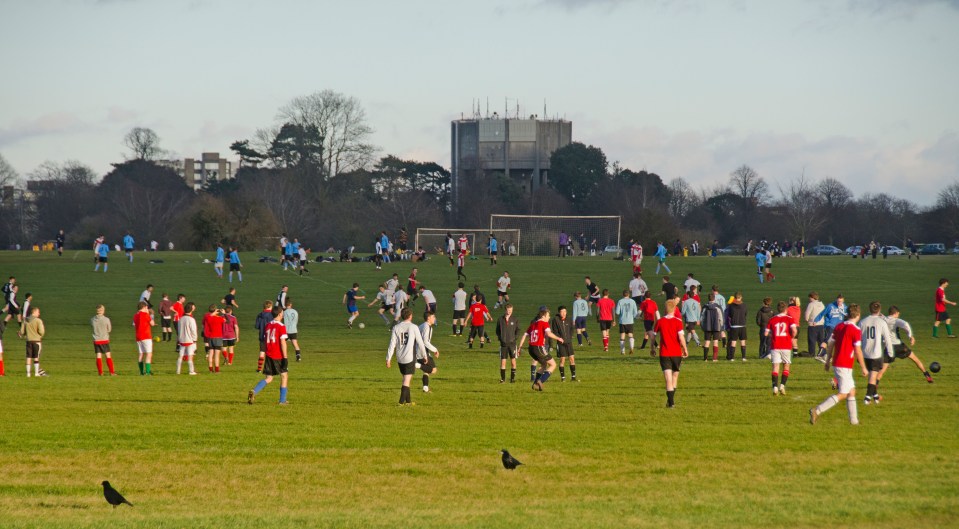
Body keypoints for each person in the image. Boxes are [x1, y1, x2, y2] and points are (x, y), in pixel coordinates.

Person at [810, 304, 867, 425]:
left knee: (851, 391)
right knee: (843, 394)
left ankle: (854, 421)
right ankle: (817, 410)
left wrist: (827, 361)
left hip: (837, 362)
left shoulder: (839, 326)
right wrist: (863, 367)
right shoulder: (856, 330)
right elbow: (858, 350)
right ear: (858, 315)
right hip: (844, 364)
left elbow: (830, 345)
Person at [879, 305, 934, 385]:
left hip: (888, 347)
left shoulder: (884, 319)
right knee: (915, 359)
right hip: (899, 346)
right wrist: (910, 336)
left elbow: (879, 315)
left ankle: (875, 385)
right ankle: (927, 375)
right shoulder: (896, 320)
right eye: (898, 314)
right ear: (896, 313)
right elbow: (906, 324)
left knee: (882, 370)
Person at [247, 306, 290, 405]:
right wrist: (285, 357)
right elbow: (283, 342)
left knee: (269, 378)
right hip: (278, 355)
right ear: (280, 314)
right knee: (284, 376)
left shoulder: (268, 325)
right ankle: (282, 400)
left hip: (269, 355)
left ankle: (254, 391)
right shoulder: (281, 326)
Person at [517, 307, 565, 391]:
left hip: (531, 349)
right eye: (548, 315)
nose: (549, 317)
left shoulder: (533, 324)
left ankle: (535, 384)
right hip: (538, 347)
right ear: (543, 316)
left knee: (543, 365)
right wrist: (558, 338)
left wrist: (519, 347)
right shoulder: (544, 323)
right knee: (553, 364)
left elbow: (524, 335)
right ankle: (540, 381)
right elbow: (549, 333)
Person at [386, 307, 426, 405]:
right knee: (406, 381)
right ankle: (400, 403)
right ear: (410, 316)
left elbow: (392, 344)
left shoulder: (396, 327)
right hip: (410, 357)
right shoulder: (414, 327)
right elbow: (420, 342)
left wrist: (388, 358)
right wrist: (425, 355)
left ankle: (408, 402)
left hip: (400, 358)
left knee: (406, 379)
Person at [859, 301, 894, 405]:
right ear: (879, 310)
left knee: (871, 375)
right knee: (873, 376)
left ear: (869, 309)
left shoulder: (863, 322)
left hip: (865, 353)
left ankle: (875, 395)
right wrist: (891, 353)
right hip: (876, 353)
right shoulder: (881, 322)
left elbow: (858, 338)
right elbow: (887, 339)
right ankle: (867, 397)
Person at [655, 298, 688, 408]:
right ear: (675, 309)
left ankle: (671, 402)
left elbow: (653, 335)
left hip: (664, 353)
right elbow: (681, 337)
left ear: (665, 309)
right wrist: (685, 348)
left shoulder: (660, 321)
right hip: (676, 353)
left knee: (668, 378)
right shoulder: (678, 322)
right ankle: (671, 401)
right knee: (674, 377)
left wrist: (652, 347)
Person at [765, 300, 798, 396]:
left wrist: (773, 335)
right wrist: (791, 337)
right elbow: (794, 331)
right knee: (786, 365)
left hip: (775, 346)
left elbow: (766, 333)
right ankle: (782, 386)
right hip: (786, 346)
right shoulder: (789, 319)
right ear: (786, 309)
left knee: (775, 367)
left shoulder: (772, 319)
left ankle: (775, 387)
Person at [814, 294, 848, 362]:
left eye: (840, 301)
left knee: (835, 342)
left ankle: (829, 356)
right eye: (838, 301)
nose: (839, 303)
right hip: (829, 326)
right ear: (836, 300)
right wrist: (816, 320)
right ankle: (819, 355)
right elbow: (822, 313)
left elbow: (847, 317)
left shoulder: (845, 308)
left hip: (839, 328)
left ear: (843, 301)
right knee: (826, 340)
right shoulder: (830, 306)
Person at [550, 306, 577, 381]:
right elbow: (555, 332)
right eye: (562, 311)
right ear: (559, 312)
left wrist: (570, 336)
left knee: (572, 359)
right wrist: (560, 338)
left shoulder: (569, 319)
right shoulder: (555, 320)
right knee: (562, 360)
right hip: (561, 343)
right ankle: (563, 378)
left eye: (565, 311)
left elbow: (572, 328)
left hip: (569, 342)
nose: (564, 313)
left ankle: (573, 377)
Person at [496, 303, 520, 383]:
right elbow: (497, 331)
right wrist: (501, 338)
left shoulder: (515, 319)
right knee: (503, 362)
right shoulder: (500, 319)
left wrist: (515, 338)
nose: (509, 311)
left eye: (511, 310)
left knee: (513, 362)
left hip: (512, 344)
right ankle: (503, 379)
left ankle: (512, 379)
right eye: (508, 310)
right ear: (505, 310)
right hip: (503, 344)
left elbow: (518, 330)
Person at [418, 310, 440, 392]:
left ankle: (425, 388)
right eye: (433, 317)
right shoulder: (427, 327)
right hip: (422, 352)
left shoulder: (421, 326)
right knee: (433, 370)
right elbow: (425, 342)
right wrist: (435, 350)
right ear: (428, 318)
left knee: (426, 370)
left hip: (417, 351)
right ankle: (417, 365)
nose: (435, 318)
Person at [91, 304, 115, 376]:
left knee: (98, 356)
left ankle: (100, 372)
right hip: (104, 339)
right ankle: (112, 372)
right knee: (108, 355)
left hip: (96, 340)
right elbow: (109, 329)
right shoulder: (106, 319)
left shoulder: (92, 319)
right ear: (102, 310)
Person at [700, 292, 724, 361]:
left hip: (707, 327)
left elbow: (702, 318)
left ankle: (705, 358)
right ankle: (715, 358)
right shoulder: (718, 307)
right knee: (715, 342)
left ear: (708, 298)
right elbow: (721, 318)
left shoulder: (705, 307)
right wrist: (721, 326)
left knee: (707, 342)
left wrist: (703, 326)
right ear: (714, 298)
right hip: (716, 327)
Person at [22, 306, 45, 377]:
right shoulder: (38, 320)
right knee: (36, 357)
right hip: (36, 341)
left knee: (28, 357)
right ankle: (36, 373)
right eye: (38, 312)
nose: (39, 313)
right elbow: (42, 331)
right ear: (34, 312)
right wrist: (40, 335)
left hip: (28, 341)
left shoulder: (26, 320)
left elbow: (22, 332)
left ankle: (28, 374)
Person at [176, 302, 198, 375]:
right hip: (190, 340)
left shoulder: (181, 319)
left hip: (181, 340)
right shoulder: (191, 319)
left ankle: (178, 371)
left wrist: (179, 339)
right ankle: (191, 371)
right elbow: (193, 330)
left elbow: (178, 330)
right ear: (191, 310)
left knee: (180, 355)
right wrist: (195, 339)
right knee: (190, 356)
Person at [132, 301, 154, 375]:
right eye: (146, 307)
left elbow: (134, 324)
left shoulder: (135, 315)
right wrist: (149, 314)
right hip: (146, 336)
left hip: (138, 337)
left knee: (141, 354)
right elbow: (152, 324)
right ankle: (147, 372)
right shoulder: (145, 314)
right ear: (144, 307)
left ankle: (141, 372)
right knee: (148, 354)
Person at [725, 292, 748, 361]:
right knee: (743, 341)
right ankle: (743, 357)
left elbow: (729, 315)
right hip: (742, 325)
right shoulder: (744, 305)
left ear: (735, 298)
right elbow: (745, 314)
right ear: (740, 297)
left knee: (733, 342)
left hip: (734, 326)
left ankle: (732, 357)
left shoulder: (731, 306)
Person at [615, 290, 639, 355]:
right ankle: (631, 347)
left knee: (622, 335)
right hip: (630, 321)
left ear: (623, 295)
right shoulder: (633, 301)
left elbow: (617, 312)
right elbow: (635, 313)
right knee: (630, 334)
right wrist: (633, 317)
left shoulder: (620, 301)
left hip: (622, 321)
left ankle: (623, 351)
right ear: (629, 294)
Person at [202, 305, 224, 373]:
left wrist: (214, 312)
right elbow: (226, 321)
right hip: (218, 337)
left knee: (211, 353)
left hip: (210, 337)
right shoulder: (219, 318)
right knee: (217, 354)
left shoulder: (207, 317)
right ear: (215, 310)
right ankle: (217, 370)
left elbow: (204, 322)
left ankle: (210, 369)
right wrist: (223, 313)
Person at [254, 300, 274, 373]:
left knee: (262, 352)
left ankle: (259, 369)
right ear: (270, 306)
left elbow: (257, 326)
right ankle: (271, 368)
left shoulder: (259, 315)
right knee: (271, 352)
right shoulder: (272, 315)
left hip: (262, 336)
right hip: (271, 336)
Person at [804, 292, 825, 357]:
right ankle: (822, 353)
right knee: (821, 340)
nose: (809, 299)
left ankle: (812, 353)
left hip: (812, 325)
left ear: (812, 297)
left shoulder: (811, 304)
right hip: (821, 324)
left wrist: (807, 319)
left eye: (810, 297)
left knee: (812, 340)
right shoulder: (822, 304)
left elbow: (807, 314)